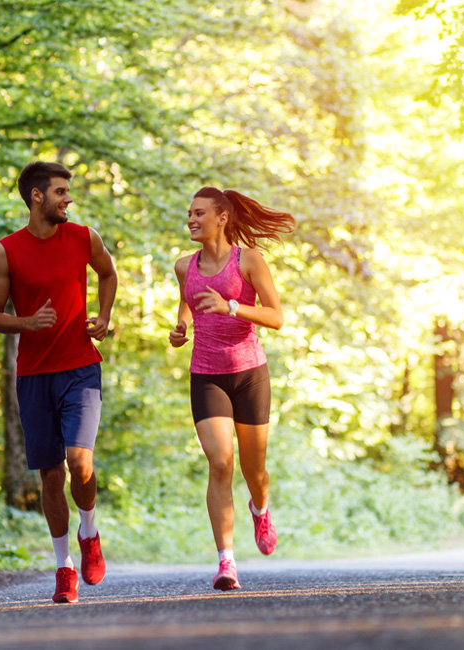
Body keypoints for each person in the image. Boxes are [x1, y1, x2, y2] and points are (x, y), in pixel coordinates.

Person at [0, 161, 117, 604]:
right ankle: (64, 567)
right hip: (34, 376)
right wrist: (27, 322)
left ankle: (90, 532)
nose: (69, 199)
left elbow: (108, 273)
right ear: (36, 196)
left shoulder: (83, 237)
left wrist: (104, 315)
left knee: (80, 462)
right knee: (49, 475)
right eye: (61, 191)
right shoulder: (7, 251)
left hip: (81, 367)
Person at [168, 186, 293, 591]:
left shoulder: (249, 261)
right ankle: (227, 562)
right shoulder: (183, 266)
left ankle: (261, 507)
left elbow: (276, 317)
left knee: (253, 470)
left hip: (249, 373)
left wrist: (232, 306)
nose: (191, 219)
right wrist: (183, 325)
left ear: (221, 218)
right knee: (221, 461)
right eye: (189, 212)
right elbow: (189, 299)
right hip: (206, 374)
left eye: (199, 212)